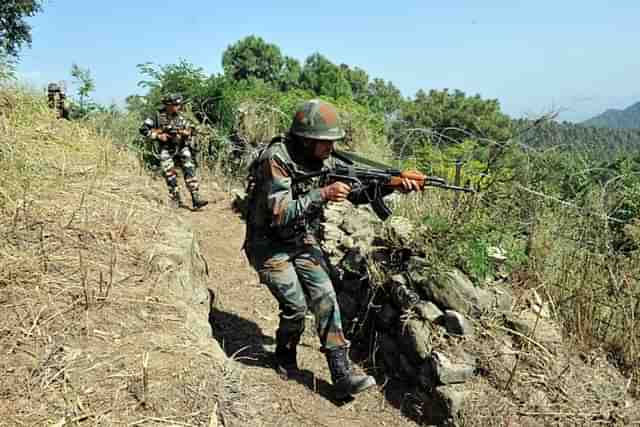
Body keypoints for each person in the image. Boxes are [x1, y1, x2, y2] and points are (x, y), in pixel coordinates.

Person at [243, 99, 420, 399]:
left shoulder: (327, 161)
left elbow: (358, 193)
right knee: (296, 307)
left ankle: (341, 373)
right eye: (324, 142)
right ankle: (284, 353)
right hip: (268, 244)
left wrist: (393, 185)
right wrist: (323, 193)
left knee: (325, 295)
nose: (330, 147)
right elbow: (279, 212)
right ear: (305, 138)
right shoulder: (277, 158)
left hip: (301, 239)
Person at [139, 94, 208, 209]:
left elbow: (192, 130)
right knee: (170, 175)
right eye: (175, 104)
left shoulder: (181, 117)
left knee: (189, 171)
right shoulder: (156, 117)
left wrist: (186, 133)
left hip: (181, 147)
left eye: (179, 104)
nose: (178, 107)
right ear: (168, 105)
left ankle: (196, 199)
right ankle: (176, 200)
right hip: (166, 149)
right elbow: (143, 129)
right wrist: (158, 136)